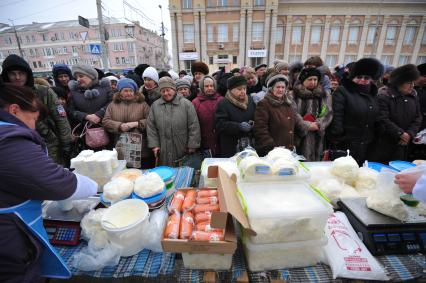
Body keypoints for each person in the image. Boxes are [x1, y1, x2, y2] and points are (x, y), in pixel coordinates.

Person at [0, 82, 97, 282]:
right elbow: (60, 184)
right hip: (9, 241)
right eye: (33, 119)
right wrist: (95, 186)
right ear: (14, 110)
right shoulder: (8, 140)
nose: (34, 126)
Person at [1, 54, 72, 165]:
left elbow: (61, 118)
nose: (17, 77)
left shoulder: (43, 92)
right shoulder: (4, 96)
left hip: (49, 143)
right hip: (16, 146)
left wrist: (66, 142)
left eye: (21, 73)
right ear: (6, 75)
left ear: (27, 74)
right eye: (12, 74)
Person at [327, 58, 383, 165]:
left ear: (371, 79)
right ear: (353, 77)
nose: (362, 80)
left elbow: (376, 116)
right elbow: (337, 115)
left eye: (366, 78)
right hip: (346, 143)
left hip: (366, 143)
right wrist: (338, 137)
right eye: (359, 77)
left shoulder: (372, 94)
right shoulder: (343, 91)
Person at [370, 64, 422, 163]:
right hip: (383, 143)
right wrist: (400, 133)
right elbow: (382, 118)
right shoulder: (384, 95)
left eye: (413, 83)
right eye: (408, 83)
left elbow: (418, 117)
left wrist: (409, 134)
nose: (412, 86)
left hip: (402, 144)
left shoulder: (413, 96)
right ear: (399, 82)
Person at [254, 74, 315, 156]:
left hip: (288, 149)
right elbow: (260, 129)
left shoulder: (288, 102)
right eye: (278, 87)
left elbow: (295, 121)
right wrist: (271, 146)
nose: (280, 90)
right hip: (272, 151)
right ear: (271, 89)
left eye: (283, 87)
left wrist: (296, 141)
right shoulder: (264, 104)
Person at [147, 77, 201, 166]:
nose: (165, 93)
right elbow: (151, 127)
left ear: (174, 89)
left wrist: (192, 145)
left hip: (182, 147)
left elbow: (194, 125)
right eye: (162, 91)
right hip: (163, 149)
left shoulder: (186, 104)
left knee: (182, 173)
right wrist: (154, 145)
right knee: (167, 174)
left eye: (168, 90)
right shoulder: (155, 106)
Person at [102, 78, 154, 169]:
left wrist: (137, 124)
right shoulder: (112, 105)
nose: (128, 93)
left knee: (142, 172)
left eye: (131, 90)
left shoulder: (142, 104)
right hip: (121, 146)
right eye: (125, 90)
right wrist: (119, 126)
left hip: (141, 148)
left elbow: (151, 120)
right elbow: (105, 121)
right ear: (120, 92)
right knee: (125, 173)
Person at [291, 67, 333, 161]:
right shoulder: (293, 94)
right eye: (309, 79)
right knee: (300, 161)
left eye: (315, 79)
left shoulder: (324, 94)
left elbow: (328, 112)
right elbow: (292, 113)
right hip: (300, 135)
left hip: (318, 134)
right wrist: (306, 125)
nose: (313, 82)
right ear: (303, 80)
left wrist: (319, 124)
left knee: (316, 163)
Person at [68, 64, 112, 149]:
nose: (78, 79)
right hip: (84, 134)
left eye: (81, 76)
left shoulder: (105, 88)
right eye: (76, 77)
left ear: (91, 76)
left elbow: (112, 103)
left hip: (107, 131)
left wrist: (99, 114)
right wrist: (85, 116)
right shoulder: (74, 92)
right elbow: (70, 110)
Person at [215, 76, 256, 157]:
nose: (243, 91)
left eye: (244, 88)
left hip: (249, 144)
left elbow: (256, 116)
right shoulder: (223, 103)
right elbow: (220, 124)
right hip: (231, 147)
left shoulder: (250, 100)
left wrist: (253, 123)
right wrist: (238, 126)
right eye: (239, 89)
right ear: (231, 90)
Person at [192, 76, 223, 157]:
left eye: (211, 86)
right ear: (202, 87)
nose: (209, 88)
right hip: (204, 143)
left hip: (220, 142)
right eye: (206, 86)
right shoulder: (195, 102)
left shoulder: (221, 100)